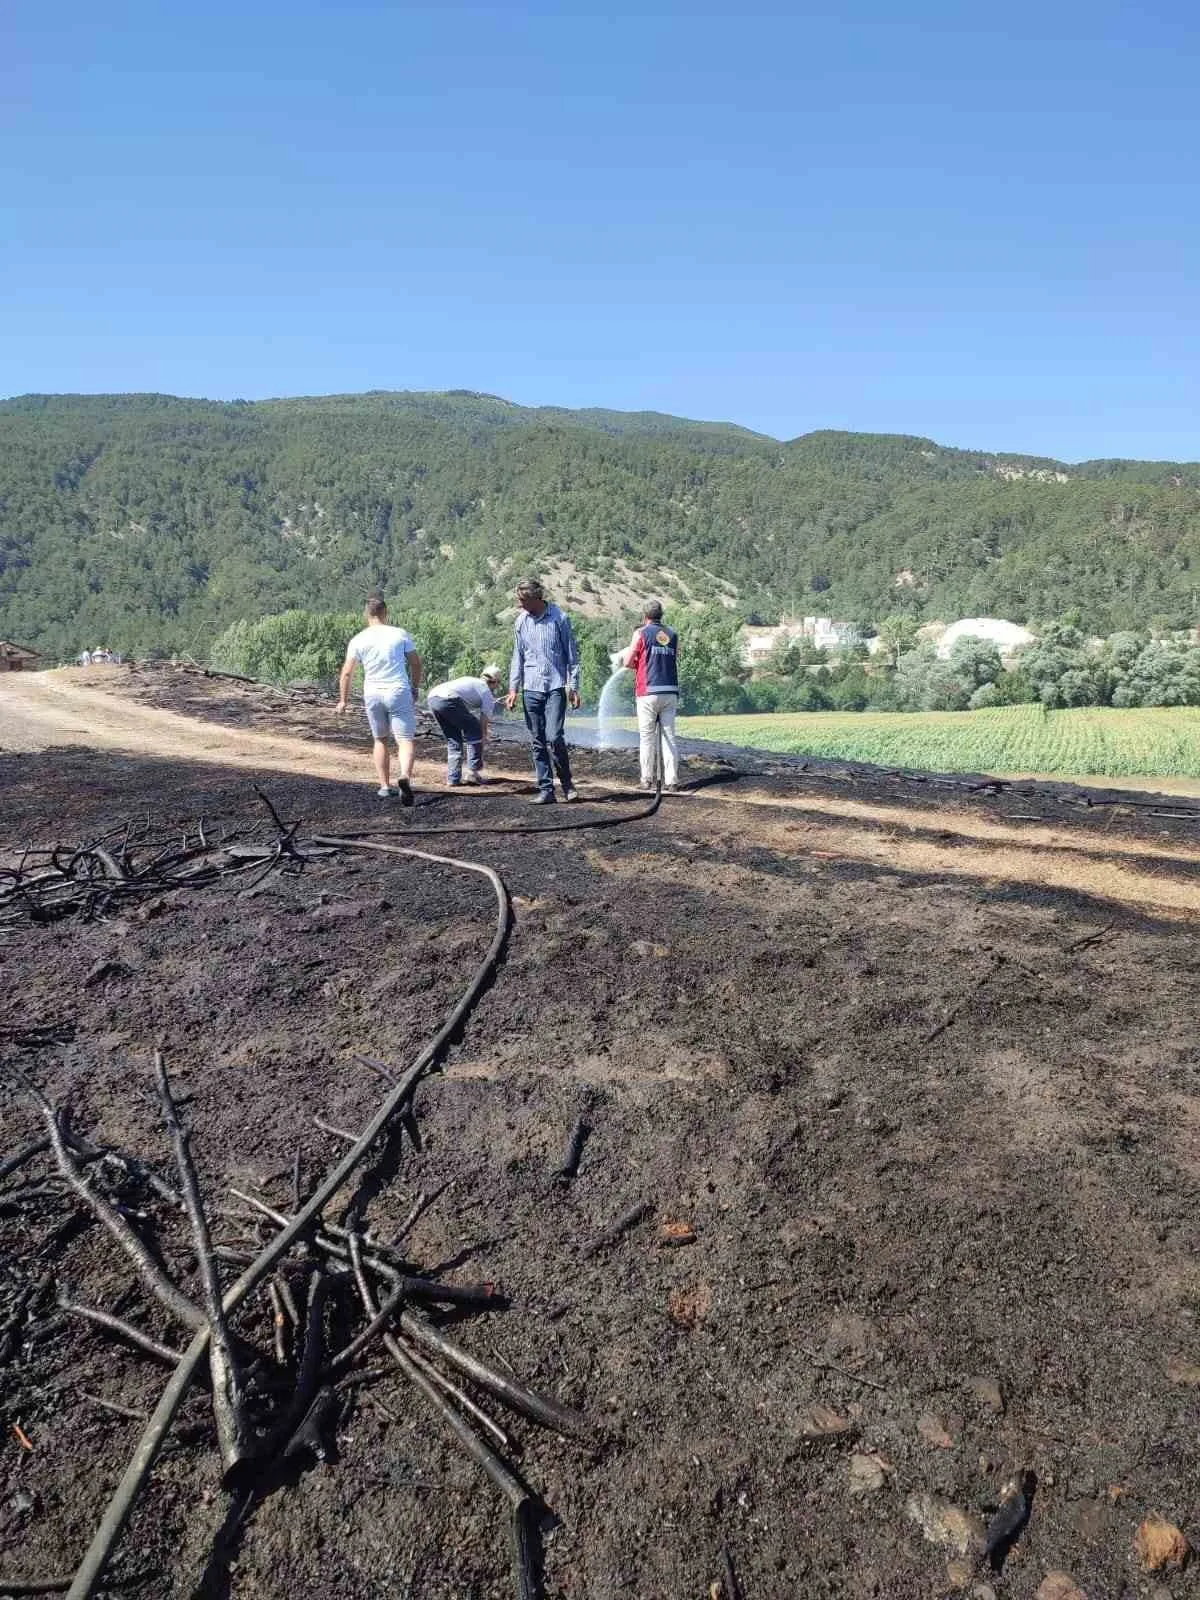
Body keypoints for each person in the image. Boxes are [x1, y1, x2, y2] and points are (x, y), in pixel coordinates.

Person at [336, 596, 423, 803]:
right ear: (385, 613)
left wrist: (343, 701)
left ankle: (384, 786)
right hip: (397, 690)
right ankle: (404, 776)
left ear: (367, 614)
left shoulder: (358, 639)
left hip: (372, 693)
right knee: (405, 739)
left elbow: (347, 673)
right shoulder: (400, 634)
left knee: (380, 739)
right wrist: (415, 687)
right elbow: (416, 664)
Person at [505, 578, 581, 804]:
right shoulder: (520, 622)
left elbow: (572, 657)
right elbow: (517, 657)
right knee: (537, 740)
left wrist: (574, 687)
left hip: (555, 686)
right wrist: (513, 688)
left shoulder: (560, 618)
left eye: (522, 600)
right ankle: (546, 789)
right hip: (531, 688)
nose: (519, 605)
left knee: (554, 736)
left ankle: (567, 785)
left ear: (536, 599)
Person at [621, 600, 681, 791]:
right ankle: (672, 782)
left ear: (644, 616)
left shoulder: (640, 633)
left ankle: (646, 780)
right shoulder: (672, 634)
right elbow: (674, 656)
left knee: (647, 737)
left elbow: (628, 662)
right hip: (670, 691)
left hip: (648, 691)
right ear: (661, 614)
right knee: (669, 736)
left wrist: (635, 661)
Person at [426, 666, 502, 787]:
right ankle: (473, 772)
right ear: (496, 682)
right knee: (475, 729)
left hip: (432, 698)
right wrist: (483, 736)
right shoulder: (486, 692)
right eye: (499, 683)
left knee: (453, 739)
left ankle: (453, 778)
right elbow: (483, 721)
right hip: (448, 699)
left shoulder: (470, 680)